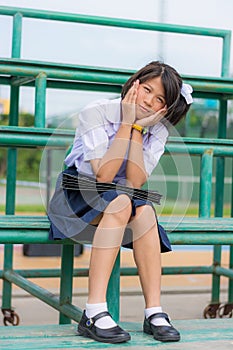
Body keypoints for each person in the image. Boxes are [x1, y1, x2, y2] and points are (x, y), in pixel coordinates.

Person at [48, 61, 193, 344]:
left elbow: (135, 180)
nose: (149, 101)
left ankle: (154, 311)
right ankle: (94, 311)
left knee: (145, 213)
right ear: (134, 84)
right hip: (77, 193)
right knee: (122, 203)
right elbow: (104, 173)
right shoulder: (97, 111)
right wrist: (127, 122)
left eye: (159, 98)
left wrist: (138, 129)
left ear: (165, 107)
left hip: (120, 195)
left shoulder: (157, 129)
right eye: (147, 90)